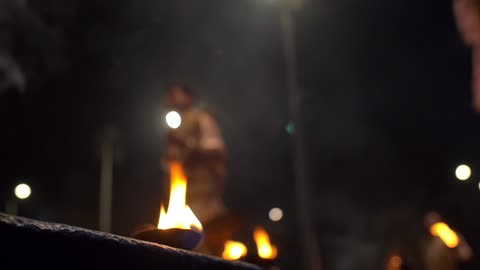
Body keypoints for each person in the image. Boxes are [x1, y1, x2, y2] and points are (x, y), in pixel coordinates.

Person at [161, 83, 228, 225]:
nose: (170, 99)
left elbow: (217, 150)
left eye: (175, 94)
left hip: (203, 196)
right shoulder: (177, 125)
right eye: (169, 96)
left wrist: (185, 143)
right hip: (181, 196)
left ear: (188, 97)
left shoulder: (202, 118)